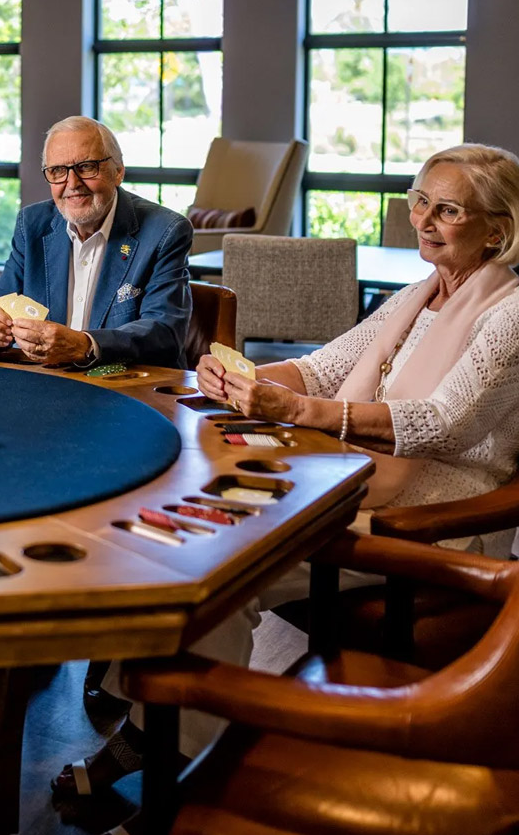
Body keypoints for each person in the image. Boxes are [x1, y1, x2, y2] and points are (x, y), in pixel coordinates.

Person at [53, 142, 519, 798]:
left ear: (497, 230)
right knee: (190, 547)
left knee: (218, 571)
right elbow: (322, 368)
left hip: (428, 525)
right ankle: (158, 728)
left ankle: (172, 756)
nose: (423, 220)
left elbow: (444, 422)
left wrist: (301, 411)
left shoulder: (510, 314)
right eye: (419, 201)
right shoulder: (417, 297)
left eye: (448, 210)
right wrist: (237, 374)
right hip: (350, 494)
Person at [0, 116, 192, 368]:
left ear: (118, 172)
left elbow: (163, 333)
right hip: (48, 381)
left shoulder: (164, 231)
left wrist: (85, 345)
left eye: (87, 167)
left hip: (125, 382)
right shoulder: (33, 224)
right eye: (57, 171)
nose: (72, 184)